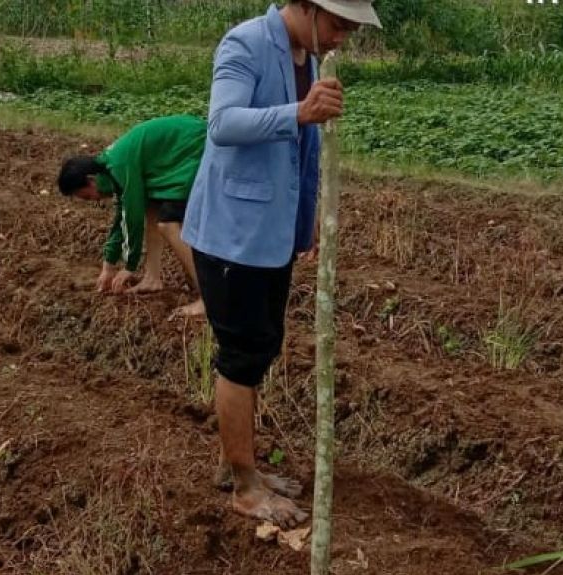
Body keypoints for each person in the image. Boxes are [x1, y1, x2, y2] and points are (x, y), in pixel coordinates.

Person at [181, 0, 379, 527]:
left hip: (270, 234)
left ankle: (236, 462)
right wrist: (299, 111)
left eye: (352, 30)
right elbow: (223, 124)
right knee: (242, 354)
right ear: (307, 7)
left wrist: (304, 216)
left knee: (263, 344)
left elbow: (302, 150)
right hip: (231, 236)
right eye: (339, 24)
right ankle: (245, 487)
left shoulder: (305, 55)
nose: (343, 38)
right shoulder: (244, 43)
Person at [57, 115, 208, 319]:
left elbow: (131, 216)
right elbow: (123, 216)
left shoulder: (119, 166)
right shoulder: (109, 167)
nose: (93, 200)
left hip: (191, 148)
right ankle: (152, 278)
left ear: (91, 179)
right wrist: (108, 265)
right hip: (177, 153)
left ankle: (208, 298)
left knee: (168, 224)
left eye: (86, 196)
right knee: (153, 211)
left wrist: (129, 266)